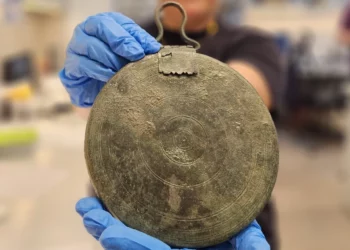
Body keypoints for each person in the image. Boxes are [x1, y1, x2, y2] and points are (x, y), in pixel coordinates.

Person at [59, 0, 284, 249]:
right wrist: (83, 80)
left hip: (232, 227)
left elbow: (244, 97)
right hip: (133, 217)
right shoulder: (122, 39)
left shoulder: (251, 42)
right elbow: (86, 113)